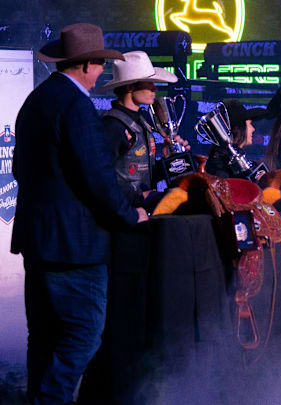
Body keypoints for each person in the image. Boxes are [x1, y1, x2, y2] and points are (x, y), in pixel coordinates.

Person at [11, 23, 147, 404]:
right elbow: (98, 178)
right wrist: (129, 214)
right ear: (86, 64)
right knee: (84, 335)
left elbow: (20, 169)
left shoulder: (36, 101)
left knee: (44, 337)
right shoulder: (77, 106)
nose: (102, 70)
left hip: (39, 242)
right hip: (76, 248)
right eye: (100, 64)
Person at [100, 50, 189, 210]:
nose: (154, 88)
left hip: (140, 212)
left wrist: (174, 161)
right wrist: (136, 197)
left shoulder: (142, 121)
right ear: (129, 86)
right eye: (149, 83)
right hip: (123, 215)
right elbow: (99, 175)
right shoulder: (113, 125)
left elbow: (144, 173)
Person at [205, 99, 268, 178]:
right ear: (240, 128)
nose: (253, 129)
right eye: (249, 124)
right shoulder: (220, 167)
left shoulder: (228, 161)